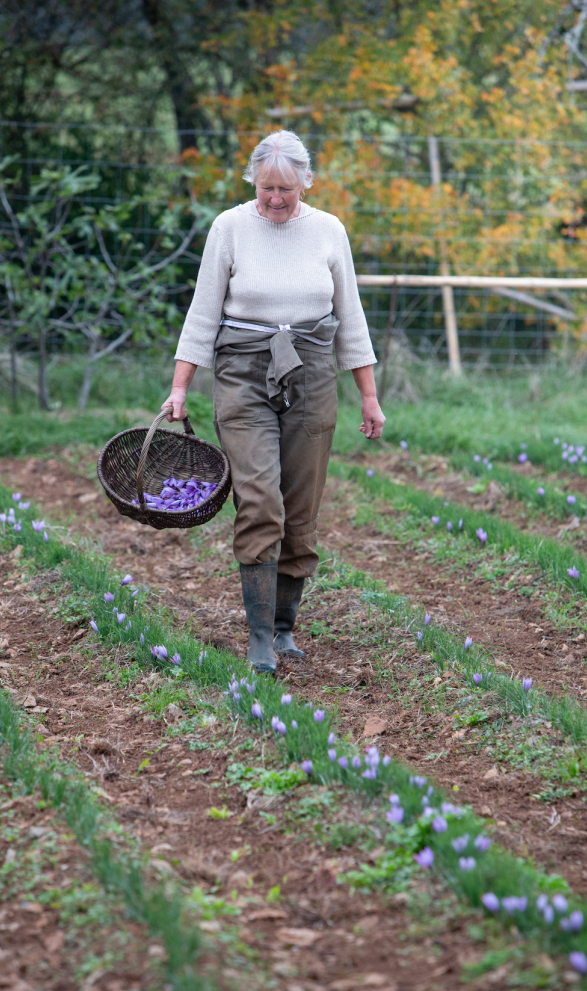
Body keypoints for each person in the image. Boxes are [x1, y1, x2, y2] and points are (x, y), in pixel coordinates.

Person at [162, 129, 385, 674]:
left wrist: (369, 396)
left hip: (310, 373)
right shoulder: (229, 228)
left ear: (307, 181)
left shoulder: (329, 231)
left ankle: (285, 628)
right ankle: (259, 636)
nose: (277, 199)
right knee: (260, 500)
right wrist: (180, 386)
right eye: (267, 189)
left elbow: (350, 317)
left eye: (287, 188)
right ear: (253, 183)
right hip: (242, 373)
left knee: (300, 506)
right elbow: (203, 312)